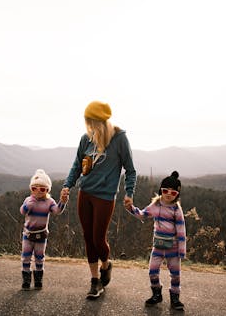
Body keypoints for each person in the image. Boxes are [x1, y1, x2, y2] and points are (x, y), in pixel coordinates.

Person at [61, 100, 137, 299]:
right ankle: (95, 281)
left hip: (105, 196)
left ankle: (106, 265)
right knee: (87, 237)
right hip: (84, 193)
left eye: (92, 122)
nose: (90, 127)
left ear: (101, 122)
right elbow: (76, 165)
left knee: (98, 239)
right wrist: (67, 186)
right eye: (88, 122)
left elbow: (130, 170)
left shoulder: (119, 139)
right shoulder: (85, 139)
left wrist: (129, 193)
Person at [124, 171, 186, 311]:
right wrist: (130, 208)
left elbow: (181, 231)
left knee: (175, 274)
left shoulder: (176, 210)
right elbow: (142, 214)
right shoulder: (155, 206)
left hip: (173, 248)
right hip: (158, 247)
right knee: (152, 271)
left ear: (177, 195)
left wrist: (181, 250)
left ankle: (175, 298)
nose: (169, 194)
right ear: (161, 191)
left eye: (173, 192)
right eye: (165, 190)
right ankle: (156, 294)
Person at [20, 169, 68, 290]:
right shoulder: (28, 200)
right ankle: (26, 281)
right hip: (28, 234)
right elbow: (22, 211)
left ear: (47, 190)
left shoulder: (49, 201)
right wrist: (27, 205)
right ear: (31, 189)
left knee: (39, 257)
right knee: (26, 256)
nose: (38, 191)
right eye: (34, 188)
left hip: (41, 235)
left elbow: (57, 211)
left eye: (42, 189)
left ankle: (38, 280)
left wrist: (62, 202)